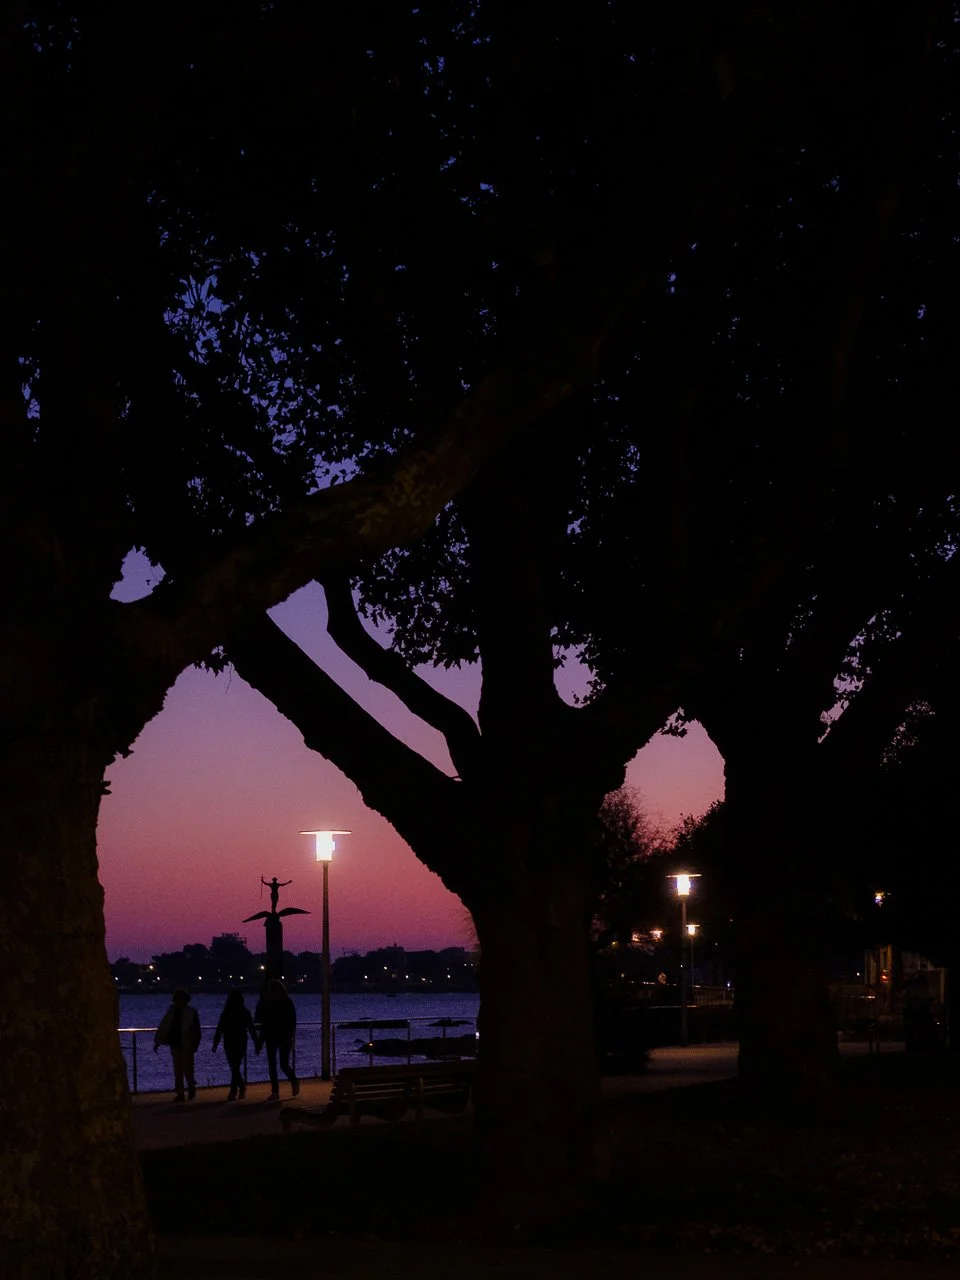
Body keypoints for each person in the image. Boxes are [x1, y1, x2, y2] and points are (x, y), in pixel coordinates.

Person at [154, 987, 201, 1102]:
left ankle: (189, 1086)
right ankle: (181, 1091)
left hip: (186, 1043)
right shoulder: (178, 1011)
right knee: (179, 1069)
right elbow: (164, 1026)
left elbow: (196, 1030)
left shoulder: (187, 1012)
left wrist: (195, 1044)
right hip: (177, 1043)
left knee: (186, 1068)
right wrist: (158, 1041)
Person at [255, 978, 299, 1101]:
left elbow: (266, 1023)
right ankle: (280, 1088)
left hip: (277, 1036)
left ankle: (280, 1089)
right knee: (278, 1065)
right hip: (278, 1037)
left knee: (278, 1065)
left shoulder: (276, 1003)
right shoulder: (284, 1003)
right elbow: (292, 1021)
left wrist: (260, 1041)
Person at [212, 988, 258, 1101]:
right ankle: (239, 1087)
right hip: (239, 1041)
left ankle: (235, 1090)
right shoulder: (244, 1012)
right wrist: (256, 1042)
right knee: (235, 1067)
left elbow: (220, 1029)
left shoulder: (226, 1013)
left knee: (234, 1066)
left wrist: (215, 1043)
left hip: (231, 1041)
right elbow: (251, 1028)